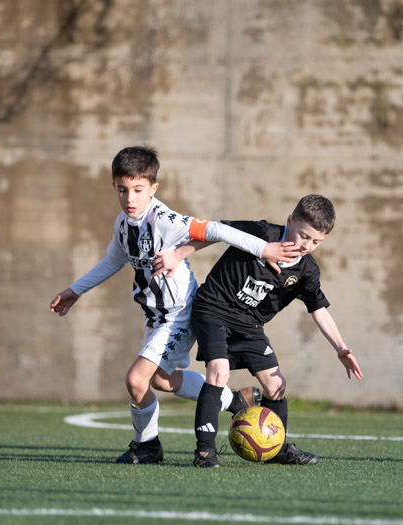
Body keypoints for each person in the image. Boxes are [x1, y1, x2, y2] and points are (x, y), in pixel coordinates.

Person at [50, 146, 302, 465]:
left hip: (180, 314)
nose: (130, 198)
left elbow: (216, 229)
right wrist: (75, 290)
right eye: (122, 189)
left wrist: (263, 249)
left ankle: (147, 446)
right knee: (160, 381)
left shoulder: (164, 220)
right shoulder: (123, 224)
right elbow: (113, 260)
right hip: (156, 317)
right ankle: (234, 400)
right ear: (114, 186)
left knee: (136, 380)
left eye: (138, 190)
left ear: (153, 188)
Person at [162, 194, 362, 467]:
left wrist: (341, 348)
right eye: (304, 236)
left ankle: (277, 449)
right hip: (213, 309)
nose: (307, 245)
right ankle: (205, 451)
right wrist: (178, 254)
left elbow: (319, 309)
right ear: (290, 221)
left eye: (316, 242)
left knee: (276, 385)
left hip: (250, 325)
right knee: (219, 371)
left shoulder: (306, 270)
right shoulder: (261, 233)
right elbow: (215, 231)